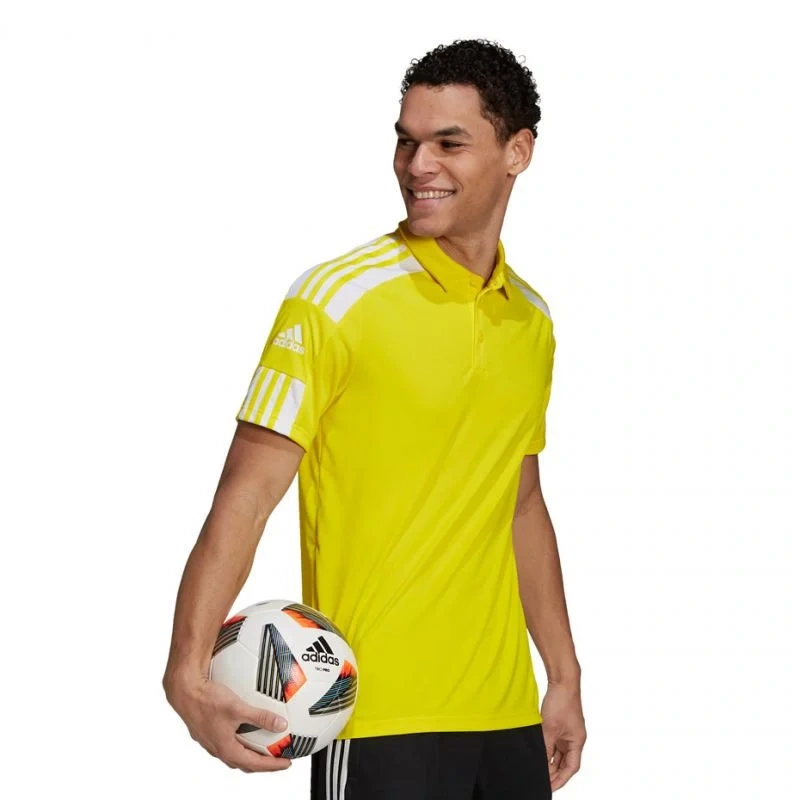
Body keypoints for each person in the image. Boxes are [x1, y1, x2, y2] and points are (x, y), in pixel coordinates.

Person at [163, 38, 586, 798]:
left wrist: (563, 674)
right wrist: (186, 673)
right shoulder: (335, 300)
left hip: (506, 714)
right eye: (406, 141)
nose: (418, 165)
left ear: (517, 152)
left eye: (449, 143)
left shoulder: (532, 320)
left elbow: (520, 501)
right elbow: (247, 495)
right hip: (374, 717)